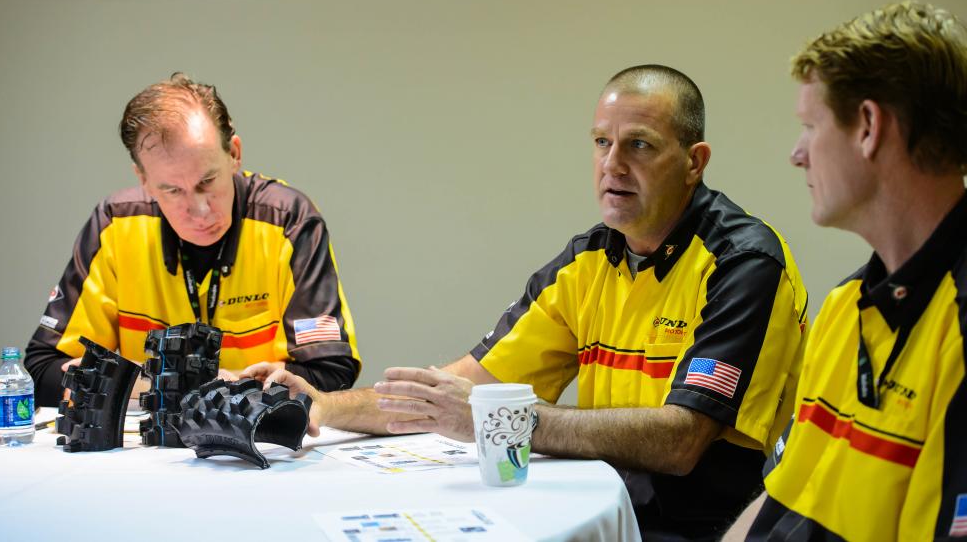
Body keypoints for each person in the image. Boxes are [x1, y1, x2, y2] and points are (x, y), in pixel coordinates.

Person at [246, 64, 809, 541]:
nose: (613, 164)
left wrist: (504, 421)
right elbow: (470, 385)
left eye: (639, 145)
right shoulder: (588, 261)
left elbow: (683, 441)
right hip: (613, 514)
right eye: (601, 142)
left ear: (694, 161)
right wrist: (324, 405)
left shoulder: (744, 263)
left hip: (708, 528)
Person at [736, 1, 967, 540]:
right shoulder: (845, 307)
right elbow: (779, 500)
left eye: (810, 126)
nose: (797, 154)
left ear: (867, 126)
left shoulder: (959, 327)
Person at [25, 73, 360, 407]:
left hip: (261, 444)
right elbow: (43, 371)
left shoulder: (288, 220)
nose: (200, 210)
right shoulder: (115, 225)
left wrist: (137, 385)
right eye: (172, 190)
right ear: (143, 179)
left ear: (234, 154)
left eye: (207, 181)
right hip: (150, 452)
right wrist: (200, 388)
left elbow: (331, 371)